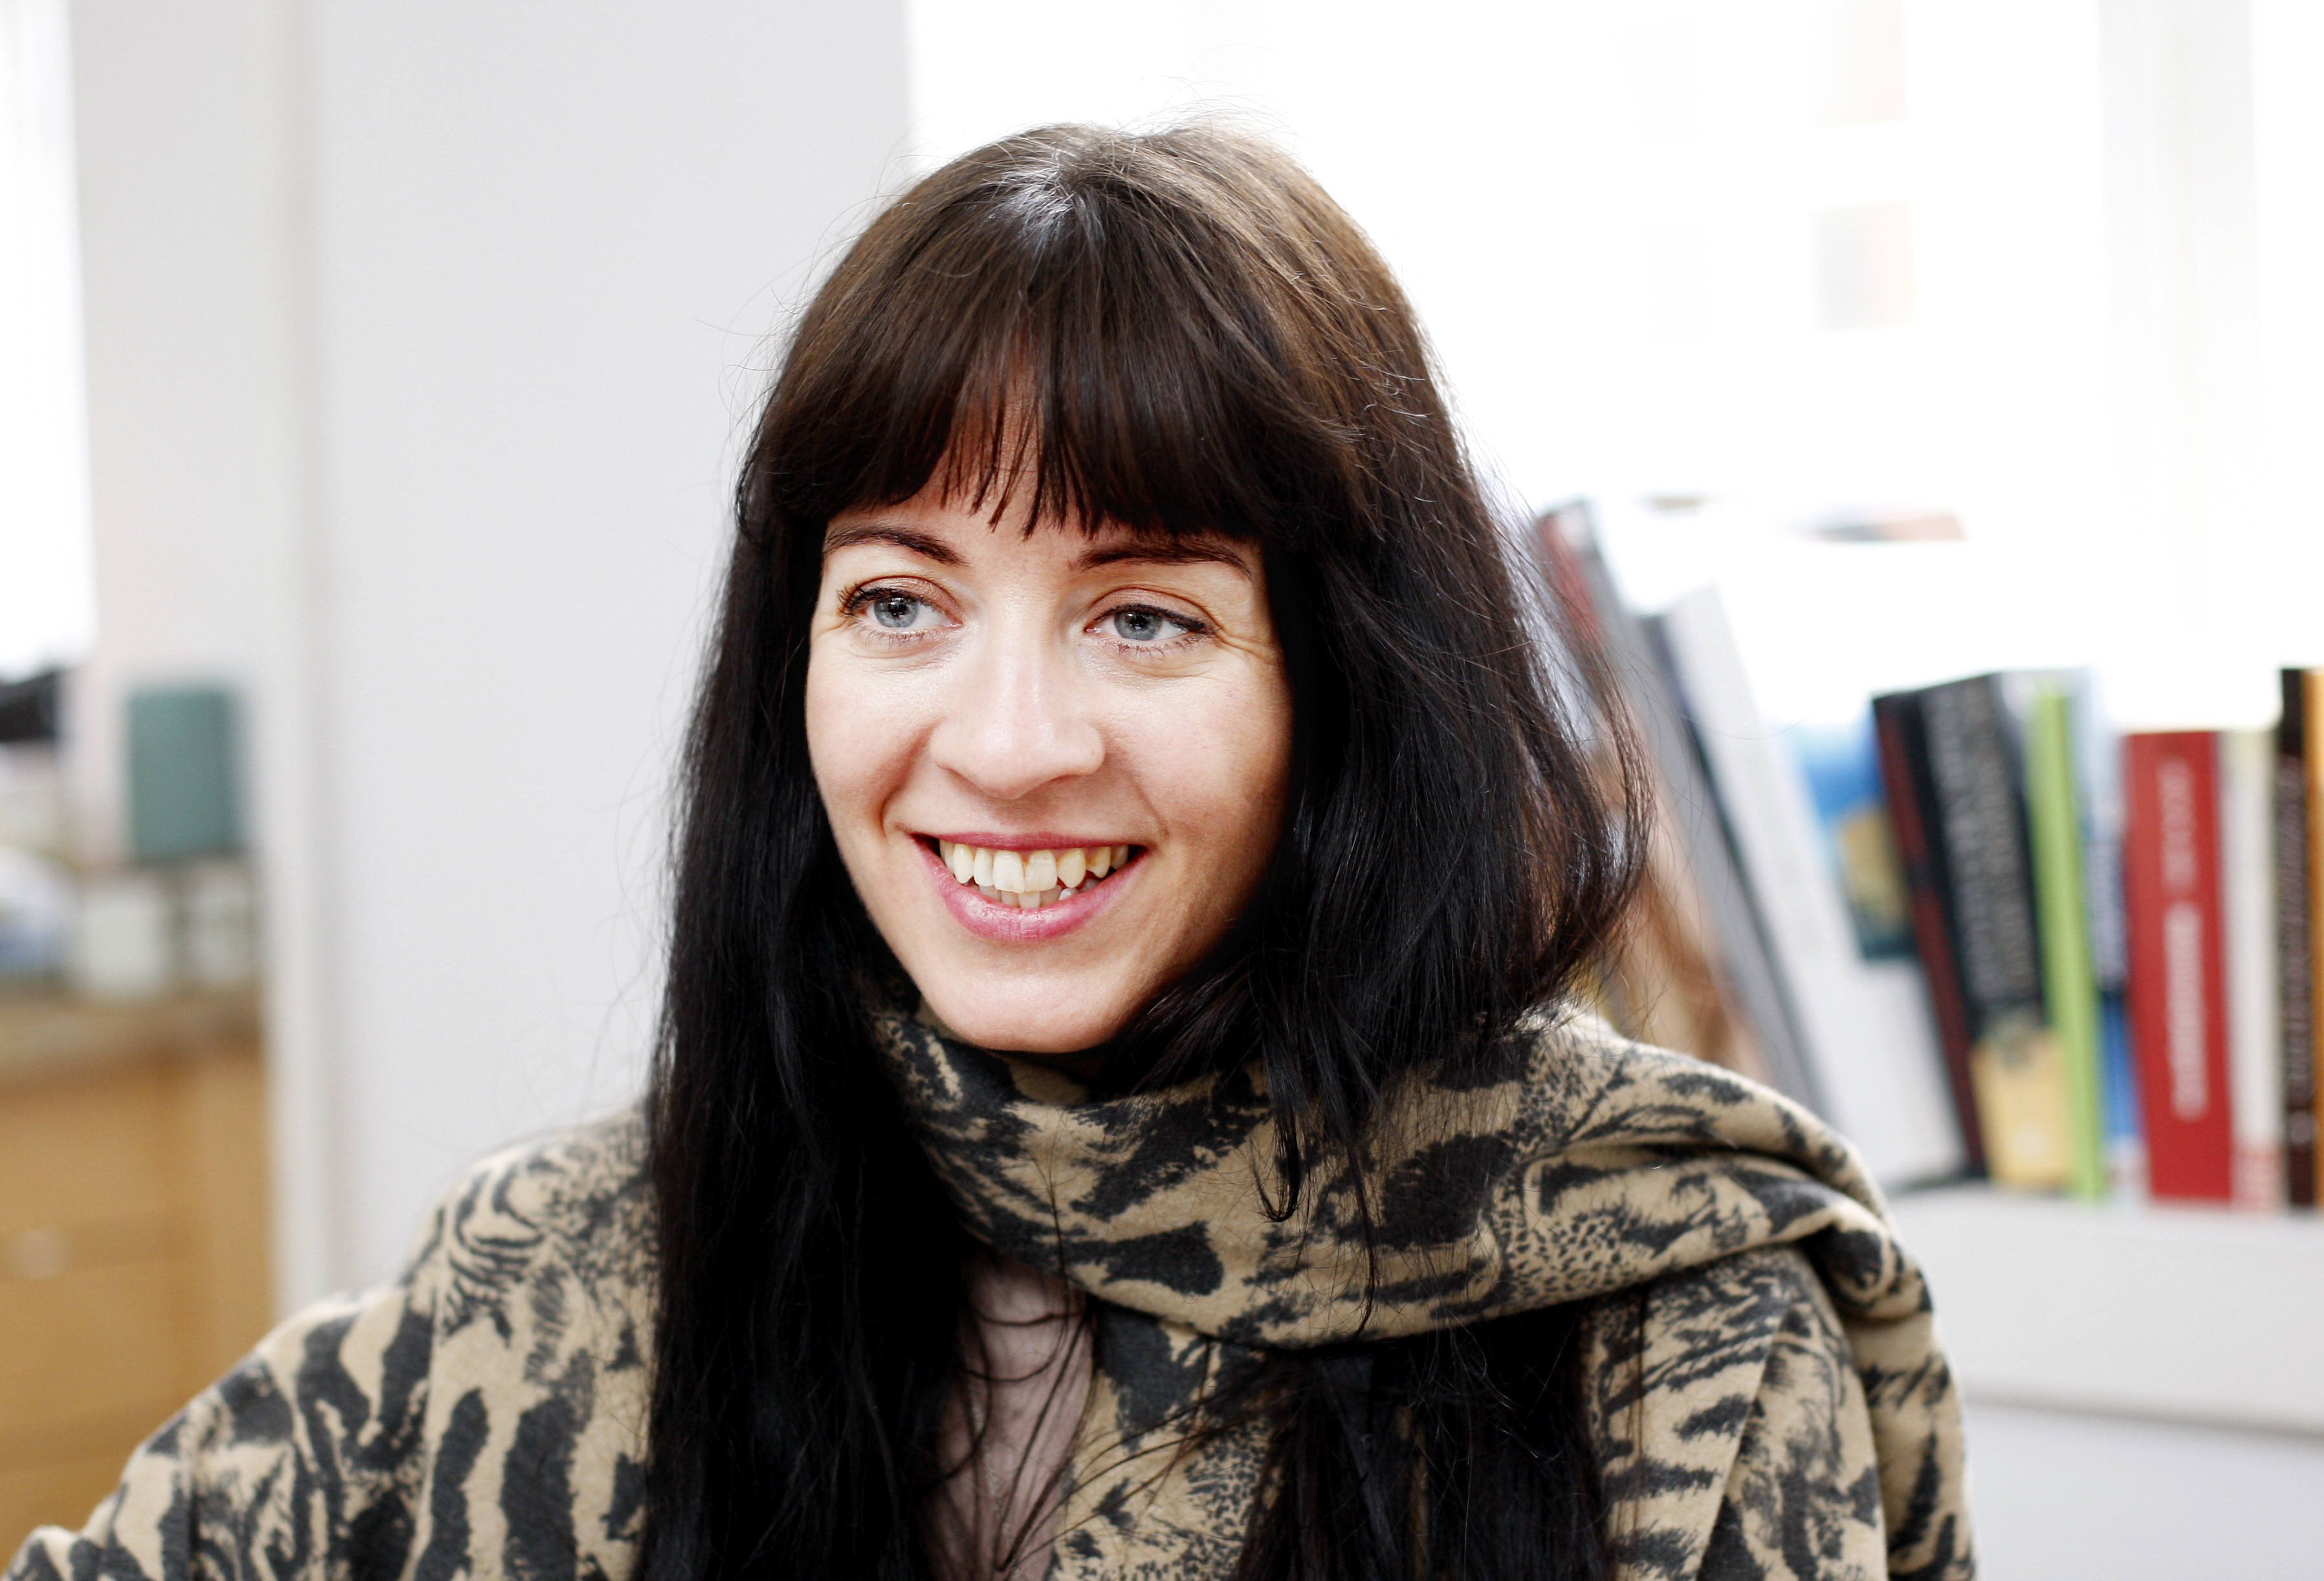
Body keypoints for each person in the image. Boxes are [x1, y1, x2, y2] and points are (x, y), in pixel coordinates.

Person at [6, 125, 1971, 1581]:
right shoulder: (564, 1275)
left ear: (1345, 685)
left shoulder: (1672, 1328)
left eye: (1148, 616)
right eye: (900, 602)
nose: (1010, 745)